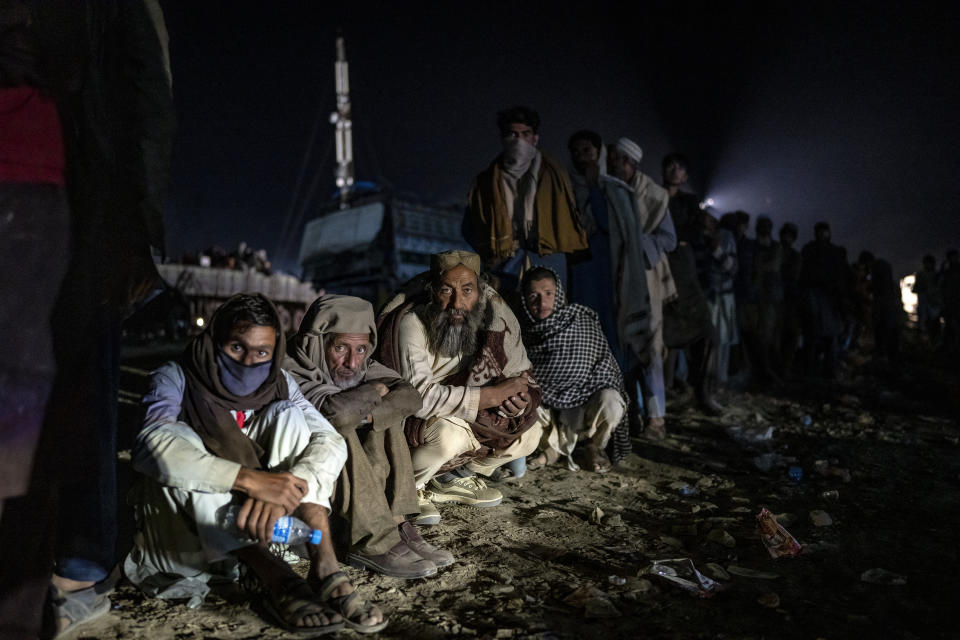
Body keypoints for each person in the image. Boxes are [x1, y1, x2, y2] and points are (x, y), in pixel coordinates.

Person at [0, 3, 175, 638]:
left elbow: (143, 88)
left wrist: (136, 226)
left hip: (61, 195)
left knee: (53, 415)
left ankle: (76, 565)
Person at [125, 294, 386, 635]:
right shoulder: (176, 376)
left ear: (274, 351)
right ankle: (275, 578)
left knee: (290, 417)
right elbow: (150, 445)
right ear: (216, 339)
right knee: (181, 439)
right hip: (194, 538)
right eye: (236, 348)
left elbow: (330, 441)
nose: (249, 361)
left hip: (275, 528)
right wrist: (250, 481)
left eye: (262, 352)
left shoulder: (278, 382)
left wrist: (285, 487)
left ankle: (324, 563)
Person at [284, 294, 454, 578]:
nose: (352, 362)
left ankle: (396, 522)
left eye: (362, 349)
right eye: (340, 347)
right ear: (319, 341)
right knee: (342, 429)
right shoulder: (292, 363)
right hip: (302, 500)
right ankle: (371, 542)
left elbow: (411, 397)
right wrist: (372, 392)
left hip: (343, 494)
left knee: (384, 419)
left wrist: (367, 411)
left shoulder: (360, 363)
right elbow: (334, 413)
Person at [376, 250, 544, 524]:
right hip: (418, 419)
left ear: (480, 292)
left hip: (467, 412)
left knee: (531, 431)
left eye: (467, 290)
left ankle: (452, 478)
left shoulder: (490, 325)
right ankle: (412, 488)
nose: (457, 302)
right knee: (449, 436)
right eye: (446, 290)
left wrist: (516, 402)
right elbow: (418, 397)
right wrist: (489, 397)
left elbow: (519, 375)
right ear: (432, 292)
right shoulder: (411, 323)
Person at [463, 105, 588, 295]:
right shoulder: (485, 183)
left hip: (548, 258)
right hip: (503, 262)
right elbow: (470, 226)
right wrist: (493, 249)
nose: (519, 141)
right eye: (512, 134)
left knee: (549, 316)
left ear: (535, 138)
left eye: (525, 134)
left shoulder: (556, 176)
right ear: (503, 138)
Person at [519, 267, 628, 473]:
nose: (542, 303)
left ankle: (594, 446)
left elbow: (608, 373)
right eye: (534, 296)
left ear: (558, 293)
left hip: (586, 411)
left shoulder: (581, 322)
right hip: (548, 412)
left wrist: (576, 389)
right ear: (524, 299)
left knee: (611, 400)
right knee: (521, 400)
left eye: (548, 294)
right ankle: (551, 451)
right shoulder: (521, 331)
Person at [605, 137, 677, 436]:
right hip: (616, 278)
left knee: (650, 348)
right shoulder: (608, 188)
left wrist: (637, 246)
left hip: (647, 280)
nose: (612, 164)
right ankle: (628, 414)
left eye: (617, 159)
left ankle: (656, 419)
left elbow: (668, 239)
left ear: (629, 163)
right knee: (623, 349)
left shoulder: (655, 196)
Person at [660, 153, 722, 421]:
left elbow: (702, 234)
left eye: (681, 167)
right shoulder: (652, 195)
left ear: (685, 176)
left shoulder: (688, 202)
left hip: (685, 270)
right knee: (660, 337)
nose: (675, 170)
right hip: (658, 267)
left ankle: (702, 393)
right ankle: (657, 402)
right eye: (671, 166)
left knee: (706, 332)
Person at [799, 222, 850, 378]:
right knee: (812, 337)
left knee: (828, 338)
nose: (822, 235)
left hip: (829, 298)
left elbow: (842, 277)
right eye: (820, 232)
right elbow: (803, 274)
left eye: (824, 232)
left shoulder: (834, 252)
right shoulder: (810, 250)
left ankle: (825, 371)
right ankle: (811, 371)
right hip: (814, 296)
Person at [705, 213, 740, 386]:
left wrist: (716, 250)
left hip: (722, 296)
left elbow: (731, 267)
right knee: (714, 339)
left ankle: (718, 378)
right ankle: (712, 378)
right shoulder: (706, 236)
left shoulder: (726, 237)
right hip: (712, 296)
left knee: (721, 339)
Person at [913, 254, 942, 345]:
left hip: (934, 303)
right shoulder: (921, 274)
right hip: (925, 304)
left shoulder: (937, 275)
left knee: (934, 325)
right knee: (926, 324)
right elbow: (916, 289)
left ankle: (933, 342)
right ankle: (929, 343)